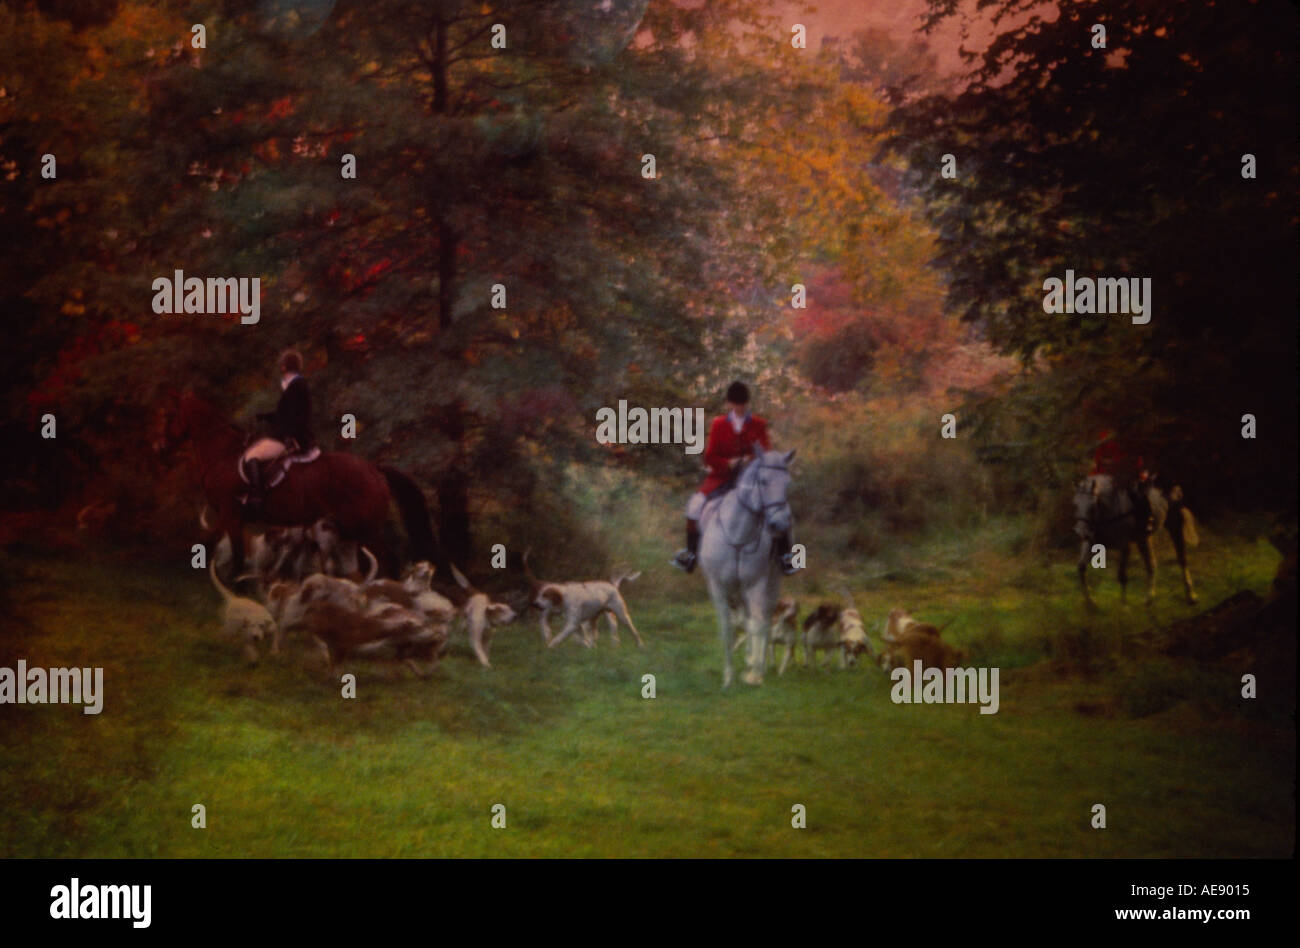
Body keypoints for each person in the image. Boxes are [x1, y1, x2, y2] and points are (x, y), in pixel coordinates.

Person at [671, 381, 798, 575]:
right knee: (694, 506)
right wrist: (728, 463)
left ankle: (786, 556)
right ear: (730, 404)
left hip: (752, 480)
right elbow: (710, 456)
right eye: (737, 404)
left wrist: (749, 459)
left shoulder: (759, 424)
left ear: (747, 403)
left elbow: (767, 454)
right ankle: (690, 554)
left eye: (744, 404)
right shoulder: (719, 424)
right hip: (721, 478)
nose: (741, 408)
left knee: (779, 509)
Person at [241, 349, 315, 510]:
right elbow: (285, 414)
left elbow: (294, 418)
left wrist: (287, 434)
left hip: (293, 439)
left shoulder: (296, 386)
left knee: (251, 456)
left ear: (283, 367)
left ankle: (256, 496)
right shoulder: (296, 385)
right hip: (292, 435)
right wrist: (264, 417)